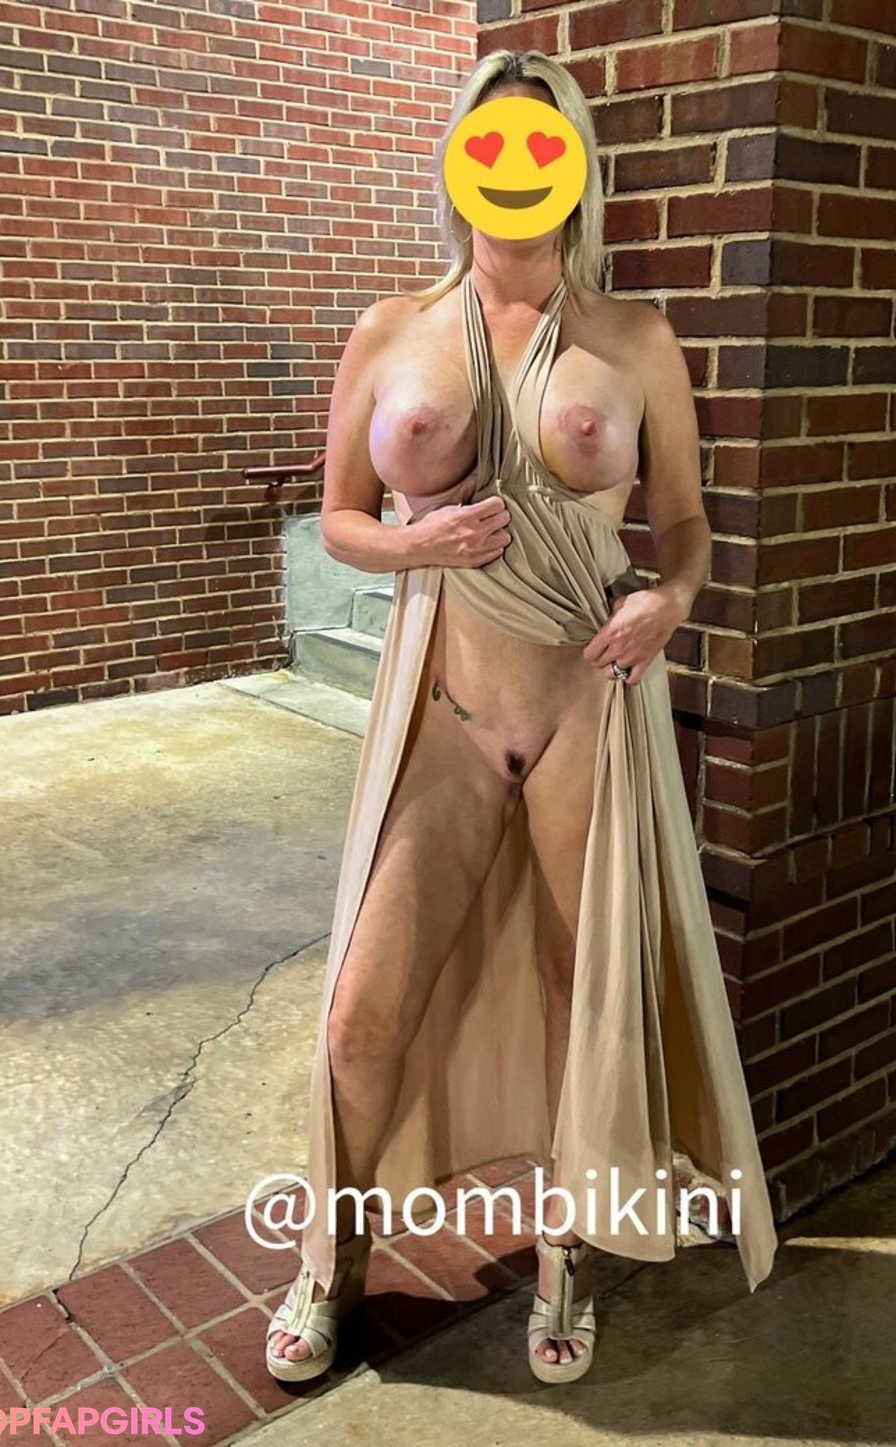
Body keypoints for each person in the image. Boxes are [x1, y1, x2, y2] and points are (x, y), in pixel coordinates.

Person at [266, 48, 777, 1388]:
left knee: (578, 1004)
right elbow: (341, 517)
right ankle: (334, 1254)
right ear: (457, 164)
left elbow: (686, 527)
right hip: (445, 705)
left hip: (587, 711)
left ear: (578, 170)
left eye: (541, 147)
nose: (514, 171)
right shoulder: (391, 329)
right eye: (489, 145)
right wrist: (414, 545)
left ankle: (565, 1253)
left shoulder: (637, 339)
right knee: (362, 1013)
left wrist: (672, 599)